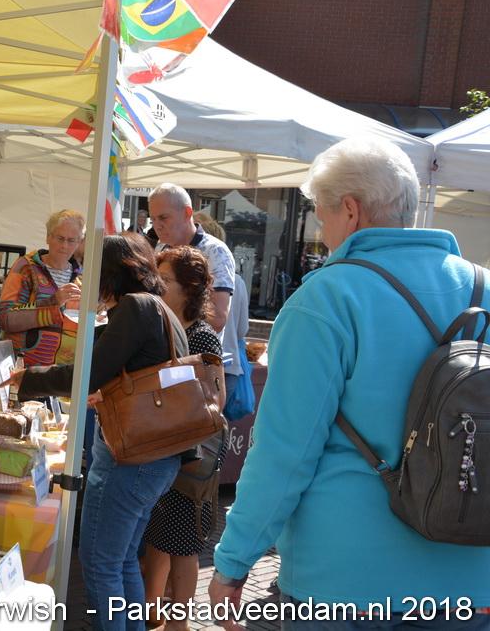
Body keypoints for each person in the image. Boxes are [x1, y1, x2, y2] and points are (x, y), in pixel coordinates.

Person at [209, 138, 490, 629]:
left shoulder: (326, 298)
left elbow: (283, 452)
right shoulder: (482, 289)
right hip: (470, 574)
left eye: (322, 217)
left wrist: (234, 561)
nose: (322, 233)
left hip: (344, 581)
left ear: (351, 211)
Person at [9, 232, 188, 631]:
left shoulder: (136, 308)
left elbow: (88, 373)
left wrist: (29, 379)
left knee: (101, 563)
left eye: (91, 271)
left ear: (110, 273)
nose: (84, 279)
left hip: (134, 459)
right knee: (121, 561)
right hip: (155, 460)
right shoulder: (156, 307)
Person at [139, 246, 223, 631]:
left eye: (165, 280)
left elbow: (216, 398)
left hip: (191, 455)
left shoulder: (202, 336)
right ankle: (151, 613)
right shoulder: (168, 325)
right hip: (168, 448)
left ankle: (178, 624)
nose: (157, 286)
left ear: (189, 288)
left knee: (182, 544)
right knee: (158, 539)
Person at [0, 209, 84, 368]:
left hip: (64, 372)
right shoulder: (26, 267)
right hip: (22, 369)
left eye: (71, 240)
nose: (64, 246)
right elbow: (6, 317)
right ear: (48, 237)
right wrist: (53, 301)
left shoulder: (82, 278)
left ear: (79, 243)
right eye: (60, 238)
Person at [149, 185, 235, 334]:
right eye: (153, 219)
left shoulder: (215, 251)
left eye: (163, 217)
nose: (157, 226)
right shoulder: (161, 248)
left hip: (196, 345)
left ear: (187, 213)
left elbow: (218, 320)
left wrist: (178, 296)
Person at [193, 212, 251, 406]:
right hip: (229, 365)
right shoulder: (237, 281)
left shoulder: (191, 279)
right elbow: (242, 329)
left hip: (200, 364)